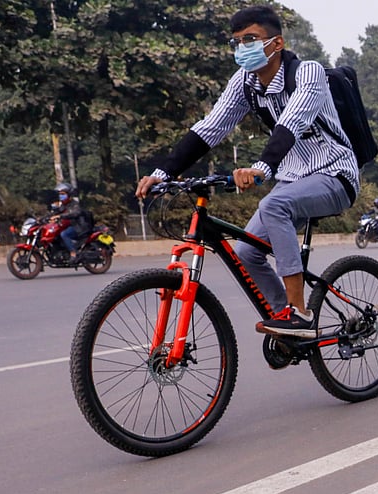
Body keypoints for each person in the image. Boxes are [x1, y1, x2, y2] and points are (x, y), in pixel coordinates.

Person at [135, 4, 359, 338]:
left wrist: (260, 168)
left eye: (251, 39)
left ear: (277, 43)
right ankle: (287, 322)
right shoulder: (245, 82)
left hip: (334, 174)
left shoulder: (308, 73)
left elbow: (291, 123)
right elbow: (210, 128)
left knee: (273, 205)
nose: (243, 48)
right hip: (291, 179)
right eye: (237, 42)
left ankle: (299, 313)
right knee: (247, 252)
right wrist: (163, 173)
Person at [54, 183, 93, 262]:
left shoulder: (74, 204)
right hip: (70, 225)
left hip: (79, 227)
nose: (60, 196)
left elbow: (75, 213)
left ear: (68, 194)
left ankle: (73, 253)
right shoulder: (63, 205)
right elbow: (56, 213)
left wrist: (61, 216)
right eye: (60, 194)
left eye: (63, 194)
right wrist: (42, 219)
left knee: (64, 234)